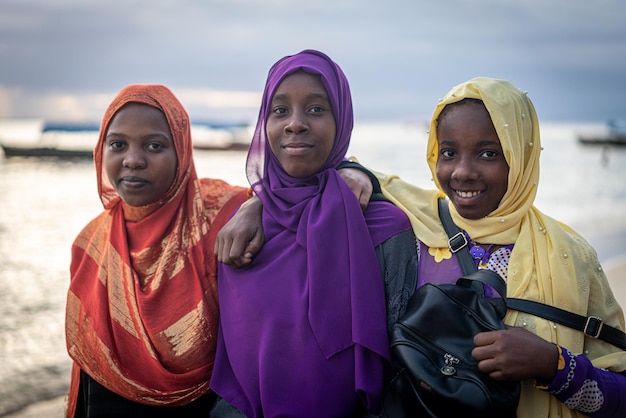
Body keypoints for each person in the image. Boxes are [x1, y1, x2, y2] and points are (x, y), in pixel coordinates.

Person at [64, 84, 374, 417]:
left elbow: (298, 192)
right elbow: (89, 362)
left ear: (182, 150)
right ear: (100, 149)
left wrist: (355, 172)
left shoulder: (221, 213)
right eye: (117, 144)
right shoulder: (91, 244)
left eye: (155, 145)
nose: (133, 160)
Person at [372, 77, 626, 417]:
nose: (462, 172)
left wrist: (553, 366)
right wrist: (357, 177)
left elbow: (620, 394)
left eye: (488, 153)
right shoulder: (414, 232)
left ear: (520, 156)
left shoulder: (573, 256)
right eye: (448, 152)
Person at [208, 50, 417, 417]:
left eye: (317, 109)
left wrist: (360, 172)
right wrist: (253, 203)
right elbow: (235, 364)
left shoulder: (384, 227)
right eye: (280, 110)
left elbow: (399, 361)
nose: (295, 124)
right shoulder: (241, 229)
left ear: (343, 121)